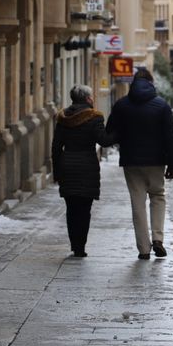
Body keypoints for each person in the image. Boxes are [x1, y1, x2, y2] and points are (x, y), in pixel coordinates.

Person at [107, 68, 173, 260]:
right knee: (158, 196)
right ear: (151, 82)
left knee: (137, 202)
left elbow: (110, 132)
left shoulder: (121, 105)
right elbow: (171, 137)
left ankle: (143, 249)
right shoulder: (162, 106)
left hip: (131, 161)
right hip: (156, 161)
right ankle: (158, 239)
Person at [51, 85, 116, 258]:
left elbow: (56, 147)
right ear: (87, 99)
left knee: (71, 208)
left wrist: (57, 172)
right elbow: (104, 141)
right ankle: (80, 247)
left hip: (67, 166)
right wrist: (118, 131)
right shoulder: (94, 117)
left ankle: (74, 244)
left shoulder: (63, 118)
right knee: (84, 209)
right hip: (87, 167)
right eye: (91, 96)